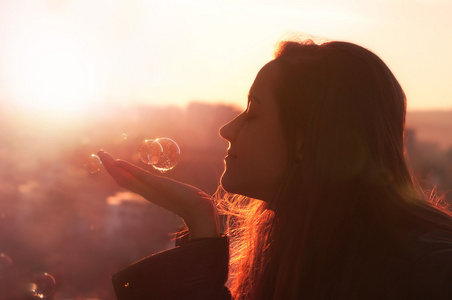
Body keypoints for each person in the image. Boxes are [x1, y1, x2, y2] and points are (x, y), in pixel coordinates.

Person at [98, 39, 452, 299]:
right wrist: (200, 223)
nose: (227, 129)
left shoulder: (430, 273)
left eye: (253, 112)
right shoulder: (305, 252)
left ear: (304, 139)